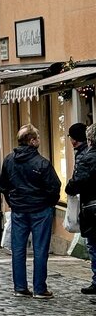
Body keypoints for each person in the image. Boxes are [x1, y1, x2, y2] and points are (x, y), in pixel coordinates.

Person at [0, 123, 61, 299]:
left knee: (18, 250)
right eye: (38, 138)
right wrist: (49, 203)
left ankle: (20, 287)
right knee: (40, 249)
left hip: (19, 210)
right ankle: (40, 288)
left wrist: (12, 202)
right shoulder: (41, 163)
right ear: (32, 141)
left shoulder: (9, 160)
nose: (39, 141)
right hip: (40, 209)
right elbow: (54, 187)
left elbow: (3, 185)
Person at [65, 122, 96, 295]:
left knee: (93, 245)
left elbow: (79, 181)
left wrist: (69, 188)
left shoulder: (86, 157)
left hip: (92, 206)